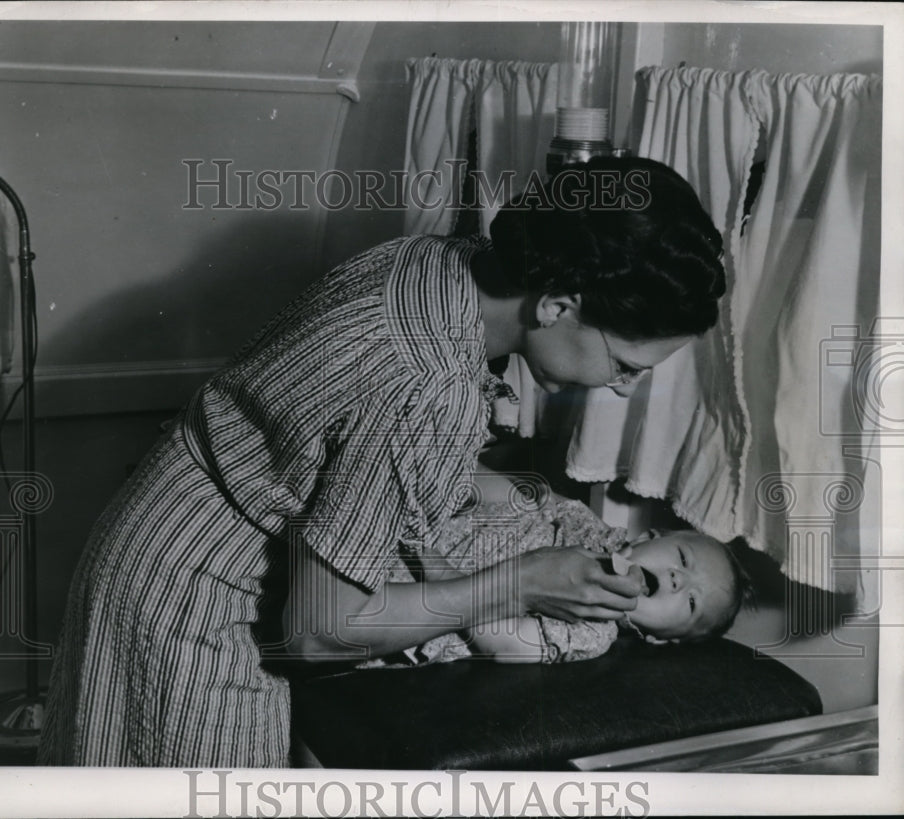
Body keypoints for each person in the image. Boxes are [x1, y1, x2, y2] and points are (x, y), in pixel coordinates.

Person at [38, 156, 726, 767]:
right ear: (557, 303)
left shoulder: (434, 260)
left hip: (156, 537)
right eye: (625, 363)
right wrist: (515, 583)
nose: (621, 385)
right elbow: (317, 631)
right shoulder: (427, 384)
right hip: (194, 604)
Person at [363, 492, 748, 668]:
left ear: (659, 638)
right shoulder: (584, 522)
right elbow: (522, 494)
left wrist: (429, 558)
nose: (678, 579)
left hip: (409, 606)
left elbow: (502, 643)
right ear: (650, 538)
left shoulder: (594, 632)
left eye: (691, 601)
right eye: (682, 558)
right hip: (412, 524)